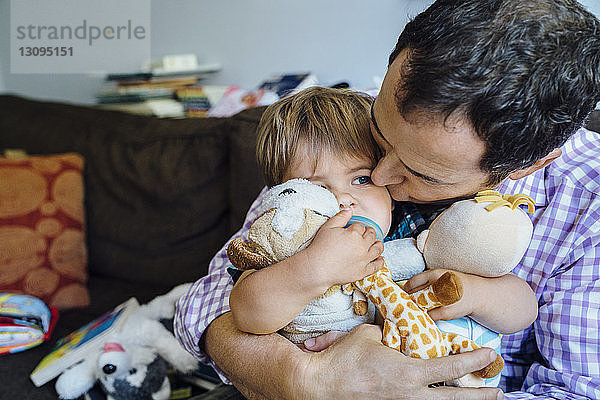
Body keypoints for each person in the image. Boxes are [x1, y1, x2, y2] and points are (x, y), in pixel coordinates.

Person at [174, 0, 600, 398]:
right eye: (381, 137)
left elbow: (574, 390)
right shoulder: (338, 139)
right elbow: (205, 305)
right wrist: (306, 379)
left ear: (527, 165)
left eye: (422, 173)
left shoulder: (588, 207)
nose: (378, 175)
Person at [228, 86, 536, 367]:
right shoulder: (286, 246)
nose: (343, 202)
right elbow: (247, 313)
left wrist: (474, 294)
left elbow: (523, 311)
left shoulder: (423, 232)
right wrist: (313, 268)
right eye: (317, 189)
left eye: (361, 179)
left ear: (389, 187)